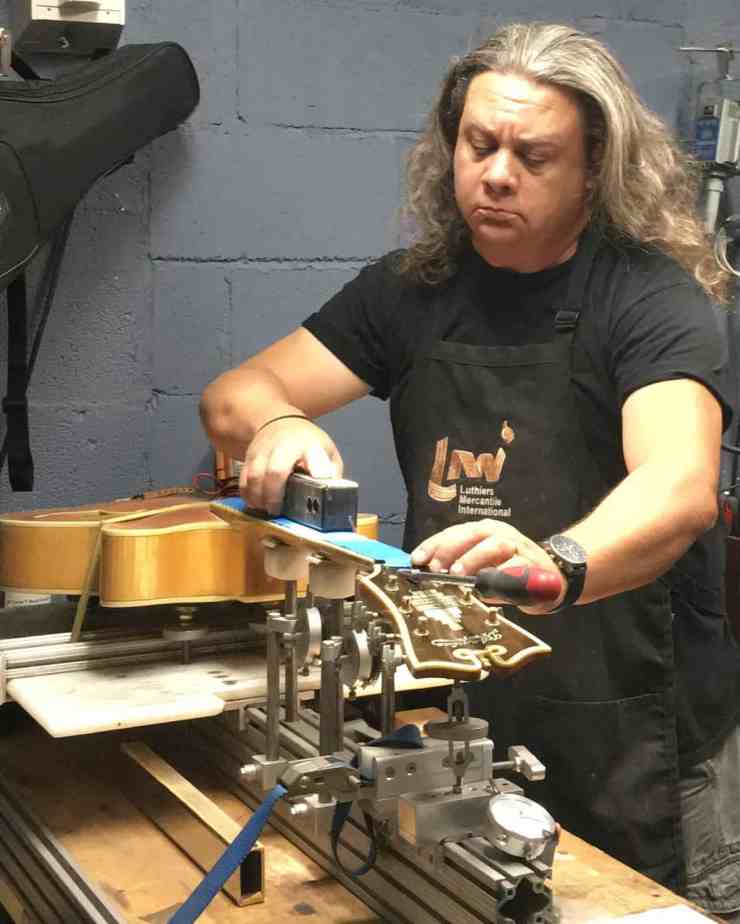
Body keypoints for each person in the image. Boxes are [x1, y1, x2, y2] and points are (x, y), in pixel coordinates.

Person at [200, 22, 740, 917]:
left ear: (594, 171)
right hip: (470, 717)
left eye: (534, 156)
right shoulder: (411, 291)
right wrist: (281, 421)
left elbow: (679, 486)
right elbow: (234, 396)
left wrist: (554, 563)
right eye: (479, 144)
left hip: (644, 739)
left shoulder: (648, 298)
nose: (496, 174)